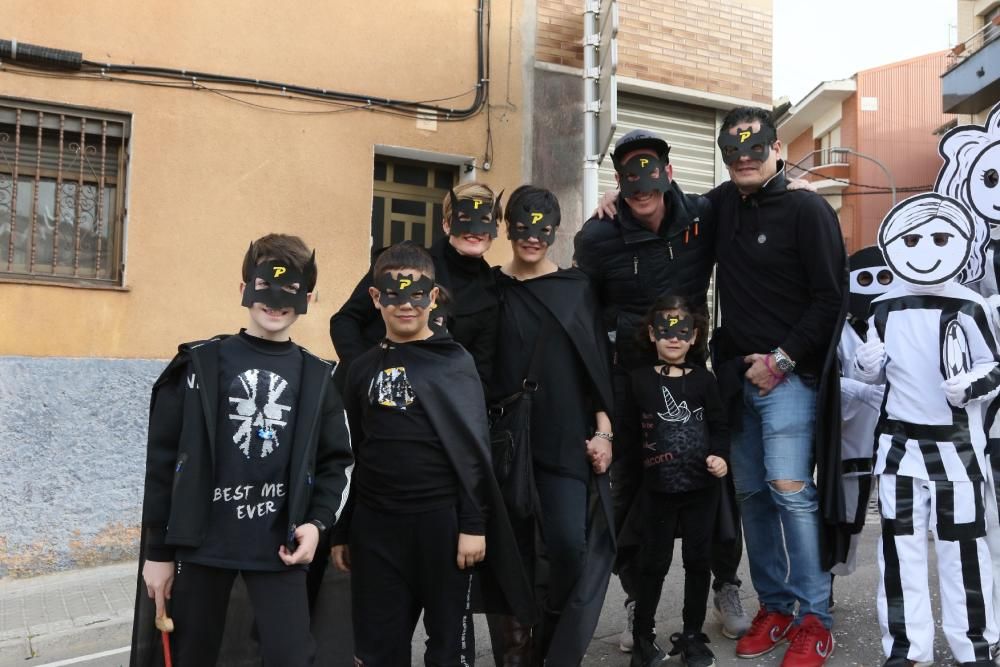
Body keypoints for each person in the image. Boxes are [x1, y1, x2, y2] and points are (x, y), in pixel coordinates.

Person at [130, 234, 355, 667]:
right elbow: (162, 465)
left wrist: (317, 524)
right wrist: (158, 554)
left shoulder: (317, 377)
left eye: (290, 291)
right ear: (243, 290)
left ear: (307, 297)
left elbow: (337, 463)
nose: (275, 302)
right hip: (202, 546)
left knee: (291, 655)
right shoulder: (199, 365)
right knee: (189, 654)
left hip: (279, 548)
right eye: (263, 286)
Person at [573, 129, 749, 648]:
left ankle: (726, 584)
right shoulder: (598, 235)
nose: (641, 195)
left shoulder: (701, 213)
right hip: (629, 381)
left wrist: (799, 189)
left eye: (649, 181)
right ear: (618, 185)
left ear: (668, 174)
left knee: (714, 475)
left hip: (694, 375)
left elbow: (749, 197)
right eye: (629, 185)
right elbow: (582, 313)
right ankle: (636, 598)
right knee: (630, 489)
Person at [330, 242, 535, 666]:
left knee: (448, 649)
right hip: (376, 528)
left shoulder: (454, 364)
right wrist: (345, 528)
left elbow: (473, 451)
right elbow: (363, 453)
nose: (405, 304)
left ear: (434, 296)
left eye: (417, 294)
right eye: (393, 294)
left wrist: (473, 524)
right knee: (376, 648)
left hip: (441, 528)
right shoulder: (360, 370)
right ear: (374, 298)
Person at [706, 105, 846, 667]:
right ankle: (777, 607)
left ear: (778, 150)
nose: (744, 160)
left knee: (790, 493)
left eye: (755, 151)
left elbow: (830, 297)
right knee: (752, 499)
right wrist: (612, 201)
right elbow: (667, 212)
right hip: (735, 377)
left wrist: (783, 360)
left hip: (787, 378)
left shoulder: (808, 210)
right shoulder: (721, 206)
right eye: (734, 154)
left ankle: (815, 618)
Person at [855, 193, 999, 667]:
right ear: (895, 243)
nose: (926, 248)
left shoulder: (970, 304)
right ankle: (905, 649)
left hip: (956, 449)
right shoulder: (881, 306)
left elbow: (994, 366)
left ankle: (974, 645)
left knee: (964, 553)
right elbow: (876, 370)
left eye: (940, 238)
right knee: (899, 552)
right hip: (897, 447)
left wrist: (972, 384)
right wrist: (867, 363)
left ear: (960, 242)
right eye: (913, 239)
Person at [489, 185, 616, 664]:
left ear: (555, 230)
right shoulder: (490, 287)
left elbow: (596, 367)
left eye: (542, 229)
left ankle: (554, 647)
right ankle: (515, 651)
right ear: (507, 228)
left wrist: (604, 431)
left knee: (568, 546)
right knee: (512, 553)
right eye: (522, 228)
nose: (532, 238)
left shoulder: (577, 288)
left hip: (565, 437)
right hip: (506, 440)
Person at [622, 295, 729, 667]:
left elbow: (719, 425)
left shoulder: (704, 380)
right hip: (656, 491)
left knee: (699, 561)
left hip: (701, 490)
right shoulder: (637, 382)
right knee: (653, 563)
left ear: (694, 335)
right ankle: (643, 638)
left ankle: (692, 636)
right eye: (665, 330)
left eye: (682, 330)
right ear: (652, 334)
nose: (673, 337)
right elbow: (626, 434)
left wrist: (720, 456)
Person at [330, 182, 500, 390]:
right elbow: (345, 321)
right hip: (365, 395)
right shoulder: (404, 261)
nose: (475, 230)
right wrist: (365, 373)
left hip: (428, 405)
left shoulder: (491, 292)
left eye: (485, 220)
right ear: (446, 224)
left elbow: (479, 369)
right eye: (464, 219)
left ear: (495, 228)